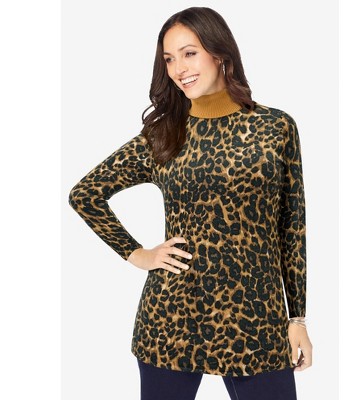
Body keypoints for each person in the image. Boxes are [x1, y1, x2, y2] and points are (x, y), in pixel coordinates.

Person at [68, 6, 313, 400]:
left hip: (256, 323)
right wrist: (138, 254)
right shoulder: (164, 134)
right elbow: (85, 194)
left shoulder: (275, 128)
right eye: (169, 59)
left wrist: (297, 317)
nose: (179, 69)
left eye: (189, 53)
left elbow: (292, 225)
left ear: (220, 53)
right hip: (171, 320)